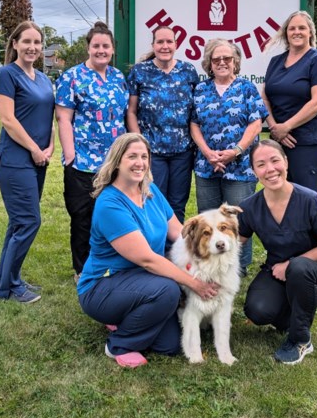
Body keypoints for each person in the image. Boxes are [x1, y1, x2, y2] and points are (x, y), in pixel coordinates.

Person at [77, 133, 221, 368]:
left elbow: (179, 233)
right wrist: (196, 284)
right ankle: (119, 343)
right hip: (102, 286)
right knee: (168, 290)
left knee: (170, 346)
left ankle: (125, 317)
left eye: (144, 156)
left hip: (141, 280)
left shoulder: (150, 190)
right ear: (117, 161)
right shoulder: (110, 204)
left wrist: (207, 254)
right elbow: (147, 260)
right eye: (132, 156)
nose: (140, 163)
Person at [239, 140, 317, 364]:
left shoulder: (310, 200)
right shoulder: (249, 207)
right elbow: (234, 242)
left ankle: (300, 339)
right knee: (257, 311)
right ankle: (295, 315)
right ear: (254, 171)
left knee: (298, 267)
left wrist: (290, 264)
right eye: (261, 164)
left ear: (286, 162)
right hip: (276, 271)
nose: (270, 169)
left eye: (275, 160)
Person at [56, 22, 128, 280]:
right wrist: (70, 155)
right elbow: (64, 118)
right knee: (83, 217)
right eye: (96, 46)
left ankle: (113, 263)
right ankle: (83, 269)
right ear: (88, 48)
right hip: (83, 162)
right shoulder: (72, 77)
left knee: (113, 215)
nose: (101, 50)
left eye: (105, 46)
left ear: (112, 50)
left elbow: (124, 115)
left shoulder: (119, 77)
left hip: (115, 162)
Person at [0, 21, 55, 303]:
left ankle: (7, 281)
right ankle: (12, 286)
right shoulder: (7, 74)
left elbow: (47, 116)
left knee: (18, 222)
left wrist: (51, 145)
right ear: (14, 44)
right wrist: (33, 149)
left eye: (37, 43)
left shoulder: (42, 78)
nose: (32, 47)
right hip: (15, 159)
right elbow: (7, 119)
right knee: (28, 221)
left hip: (39, 159)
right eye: (26, 41)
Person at [190, 38, 266, 275]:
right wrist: (207, 152)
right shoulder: (200, 90)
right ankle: (210, 261)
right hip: (207, 165)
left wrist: (236, 151)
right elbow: (194, 124)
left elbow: (256, 123)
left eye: (227, 58)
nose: (222, 62)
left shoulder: (246, 88)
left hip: (241, 166)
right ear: (209, 64)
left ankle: (238, 266)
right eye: (216, 59)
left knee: (236, 220)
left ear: (235, 62)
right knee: (209, 219)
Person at [125, 26, 200, 223]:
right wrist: (140, 145)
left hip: (182, 152)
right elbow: (131, 111)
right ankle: (151, 250)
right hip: (152, 152)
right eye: (160, 42)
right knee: (152, 202)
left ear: (176, 44)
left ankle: (174, 252)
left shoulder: (188, 71)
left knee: (177, 205)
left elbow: (195, 113)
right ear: (153, 45)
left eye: (169, 42)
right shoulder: (140, 72)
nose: (165, 46)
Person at [263, 10, 317, 193]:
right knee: (280, 192)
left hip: (308, 140)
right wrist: (275, 128)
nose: (297, 32)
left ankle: (312, 223)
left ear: (310, 32)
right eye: (292, 28)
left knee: (306, 195)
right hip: (279, 139)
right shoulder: (275, 62)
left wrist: (286, 126)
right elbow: (264, 96)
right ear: (286, 33)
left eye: (302, 28)